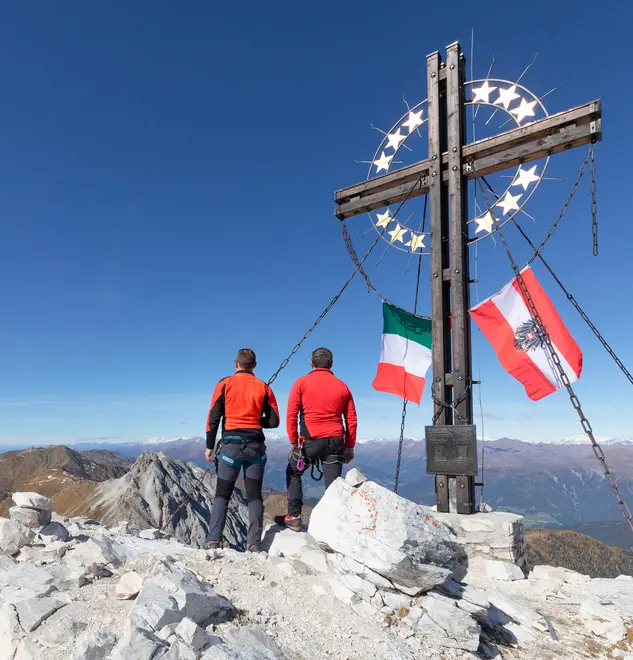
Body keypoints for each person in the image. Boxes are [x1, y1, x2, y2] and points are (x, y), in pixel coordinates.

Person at [204, 348, 279, 552]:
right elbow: (274, 421)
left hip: (230, 448)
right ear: (254, 365)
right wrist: (255, 421)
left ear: (236, 363)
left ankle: (212, 541)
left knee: (222, 496)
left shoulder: (224, 384)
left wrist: (209, 446)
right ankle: (254, 544)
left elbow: (213, 418)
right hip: (255, 448)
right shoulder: (263, 387)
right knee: (254, 496)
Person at [276, 347, 357, 532]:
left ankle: (294, 517)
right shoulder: (342, 386)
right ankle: (334, 525)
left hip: (310, 441)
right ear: (331, 364)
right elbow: (351, 419)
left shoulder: (301, 383)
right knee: (333, 484)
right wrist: (349, 446)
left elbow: (292, 415)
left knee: (293, 472)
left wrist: (294, 441)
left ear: (311, 364)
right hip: (336, 441)